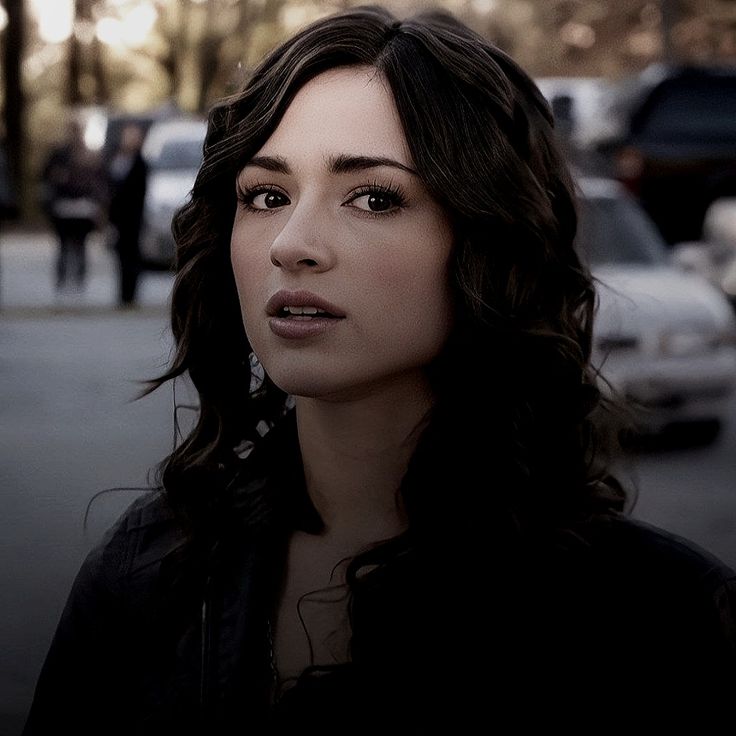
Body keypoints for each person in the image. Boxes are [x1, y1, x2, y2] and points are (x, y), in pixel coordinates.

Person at [22, 5, 736, 734]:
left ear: (487, 237)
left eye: (374, 197)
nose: (292, 244)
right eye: (266, 195)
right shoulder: (147, 574)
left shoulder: (666, 623)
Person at [40, 117, 105, 296]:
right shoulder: (60, 154)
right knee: (63, 245)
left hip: (82, 208)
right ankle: (63, 279)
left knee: (79, 246)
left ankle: (78, 279)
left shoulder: (89, 154)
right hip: (64, 207)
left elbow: (97, 181)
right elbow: (47, 177)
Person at [107, 121, 149, 306]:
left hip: (133, 217)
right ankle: (123, 295)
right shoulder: (116, 159)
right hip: (118, 217)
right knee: (120, 256)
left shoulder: (141, 163)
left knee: (132, 256)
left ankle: (130, 295)